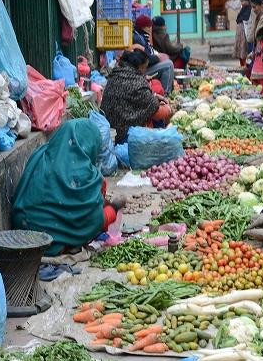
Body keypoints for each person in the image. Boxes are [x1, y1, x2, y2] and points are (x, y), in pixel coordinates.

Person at [12, 119, 124, 255]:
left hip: (21, 229)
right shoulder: (86, 175)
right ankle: (64, 242)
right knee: (97, 214)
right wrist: (113, 208)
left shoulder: (40, 154)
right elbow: (93, 221)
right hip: (51, 242)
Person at [99, 49, 168, 143]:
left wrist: (155, 96)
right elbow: (155, 109)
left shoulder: (117, 74)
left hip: (110, 129)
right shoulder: (137, 82)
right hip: (122, 134)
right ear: (139, 67)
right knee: (156, 120)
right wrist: (169, 109)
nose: (145, 71)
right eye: (145, 68)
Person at [132, 14, 175, 92]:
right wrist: (157, 58)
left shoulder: (141, 35)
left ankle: (164, 91)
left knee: (167, 62)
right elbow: (143, 60)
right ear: (143, 27)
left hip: (144, 67)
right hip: (140, 71)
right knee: (168, 65)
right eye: (148, 26)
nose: (150, 28)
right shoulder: (138, 38)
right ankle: (166, 94)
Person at [233, 0, 253, 66]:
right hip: (240, 32)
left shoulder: (250, 9)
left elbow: (245, 18)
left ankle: (246, 66)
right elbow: (238, 18)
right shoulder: (243, 8)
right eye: (241, 1)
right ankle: (242, 65)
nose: (241, 3)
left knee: (244, 50)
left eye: (242, 1)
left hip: (245, 32)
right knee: (240, 50)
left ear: (247, 0)